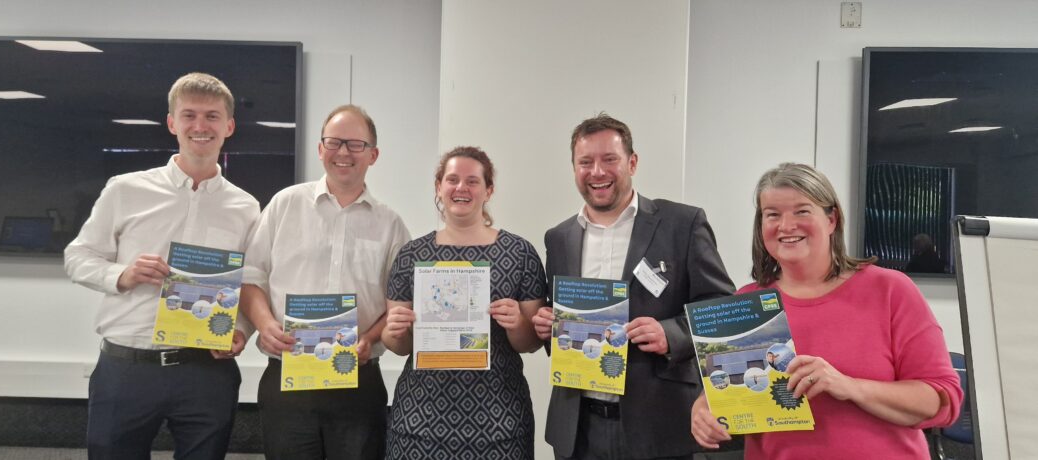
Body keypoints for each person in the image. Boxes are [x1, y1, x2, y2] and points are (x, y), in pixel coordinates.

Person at [690, 162, 963, 459]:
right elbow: (731, 394)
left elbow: (942, 400)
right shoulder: (746, 304)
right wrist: (704, 409)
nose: (786, 225)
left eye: (802, 211)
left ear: (831, 219)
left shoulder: (890, 290)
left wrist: (848, 386)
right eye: (772, 215)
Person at [64, 72, 259, 459]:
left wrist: (240, 328)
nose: (200, 126)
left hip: (205, 370)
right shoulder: (125, 189)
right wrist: (122, 273)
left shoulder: (246, 206)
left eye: (212, 116)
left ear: (229, 126)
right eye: (189, 115)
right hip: (127, 367)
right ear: (172, 122)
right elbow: (77, 257)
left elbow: (251, 280)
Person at [531, 114, 735, 460]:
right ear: (574, 168)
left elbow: (721, 308)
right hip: (579, 431)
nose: (597, 172)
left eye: (609, 159)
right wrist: (547, 327)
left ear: (632, 162)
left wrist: (670, 333)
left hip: (659, 426)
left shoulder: (682, 224)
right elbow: (562, 321)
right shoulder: (559, 238)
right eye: (586, 162)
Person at [239, 104, 410, 460]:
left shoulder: (391, 225)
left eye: (355, 144)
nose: (343, 152)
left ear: (373, 155)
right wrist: (264, 323)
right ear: (320, 149)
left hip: (358, 380)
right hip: (288, 377)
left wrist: (370, 337)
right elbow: (251, 276)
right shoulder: (284, 205)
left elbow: (400, 302)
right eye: (334, 142)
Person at [382, 146, 547, 459]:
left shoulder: (519, 253)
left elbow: (531, 343)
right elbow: (397, 344)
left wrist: (518, 324)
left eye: (473, 181)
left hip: (500, 423)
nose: (461, 188)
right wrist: (395, 329)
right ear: (439, 187)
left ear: (489, 190)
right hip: (420, 423)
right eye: (452, 179)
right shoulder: (411, 255)